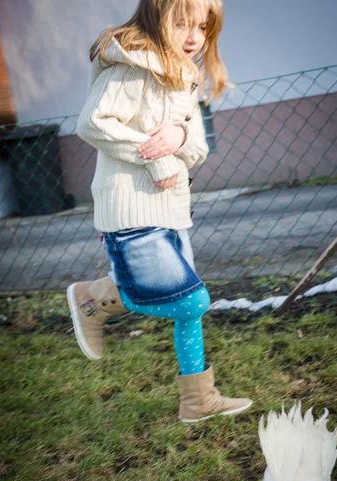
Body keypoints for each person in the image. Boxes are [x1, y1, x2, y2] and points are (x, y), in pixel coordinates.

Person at [67, 0, 252, 423]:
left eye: (202, 27)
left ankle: (198, 401)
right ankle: (93, 298)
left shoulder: (184, 76)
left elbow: (199, 149)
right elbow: (93, 123)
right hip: (131, 213)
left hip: (171, 212)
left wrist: (179, 133)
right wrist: (156, 157)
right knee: (192, 301)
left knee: (186, 305)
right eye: (182, 23)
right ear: (156, 17)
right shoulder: (131, 65)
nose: (193, 37)